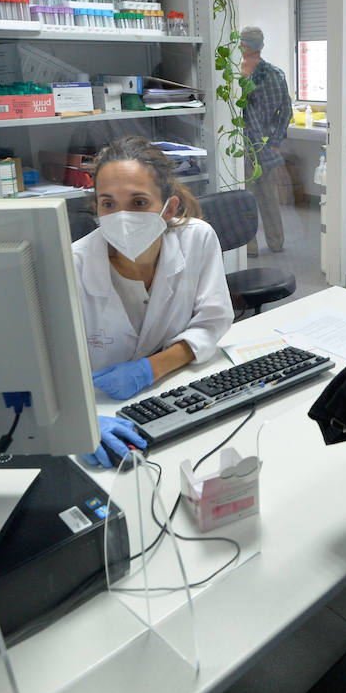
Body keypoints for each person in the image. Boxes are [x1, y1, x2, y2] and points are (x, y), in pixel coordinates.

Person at [73, 136, 233, 468]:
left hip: (173, 396)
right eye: (108, 203)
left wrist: (151, 368)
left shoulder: (197, 240)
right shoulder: (71, 266)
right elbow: (44, 372)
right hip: (99, 411)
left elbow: (212, 322)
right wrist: (79, 422)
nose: (122, 216)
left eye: (139, 202)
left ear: (169, 209)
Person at [237, 25, 291, 256]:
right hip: (267, 145)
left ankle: (249, 247)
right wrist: (276, 142)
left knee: (246, 199)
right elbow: (286, 111)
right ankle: (275, 242)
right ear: (262, 45)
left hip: (244, 145)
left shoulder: (234, 76)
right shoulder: (276, 74)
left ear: (242, 45)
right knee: (269, 197)